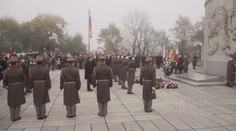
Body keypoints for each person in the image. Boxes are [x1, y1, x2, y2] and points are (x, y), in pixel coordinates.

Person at [29, 55, 51, 120]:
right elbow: (47, 79)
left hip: (35, 85)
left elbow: (30, 79)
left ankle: (38, 114)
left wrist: (30, 86)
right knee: (43, 99)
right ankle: (43, 114)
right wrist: (49, 86)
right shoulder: (45, 69)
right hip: (43, 84)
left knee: (37, 99)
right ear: (42, 61)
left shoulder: (31, 69)